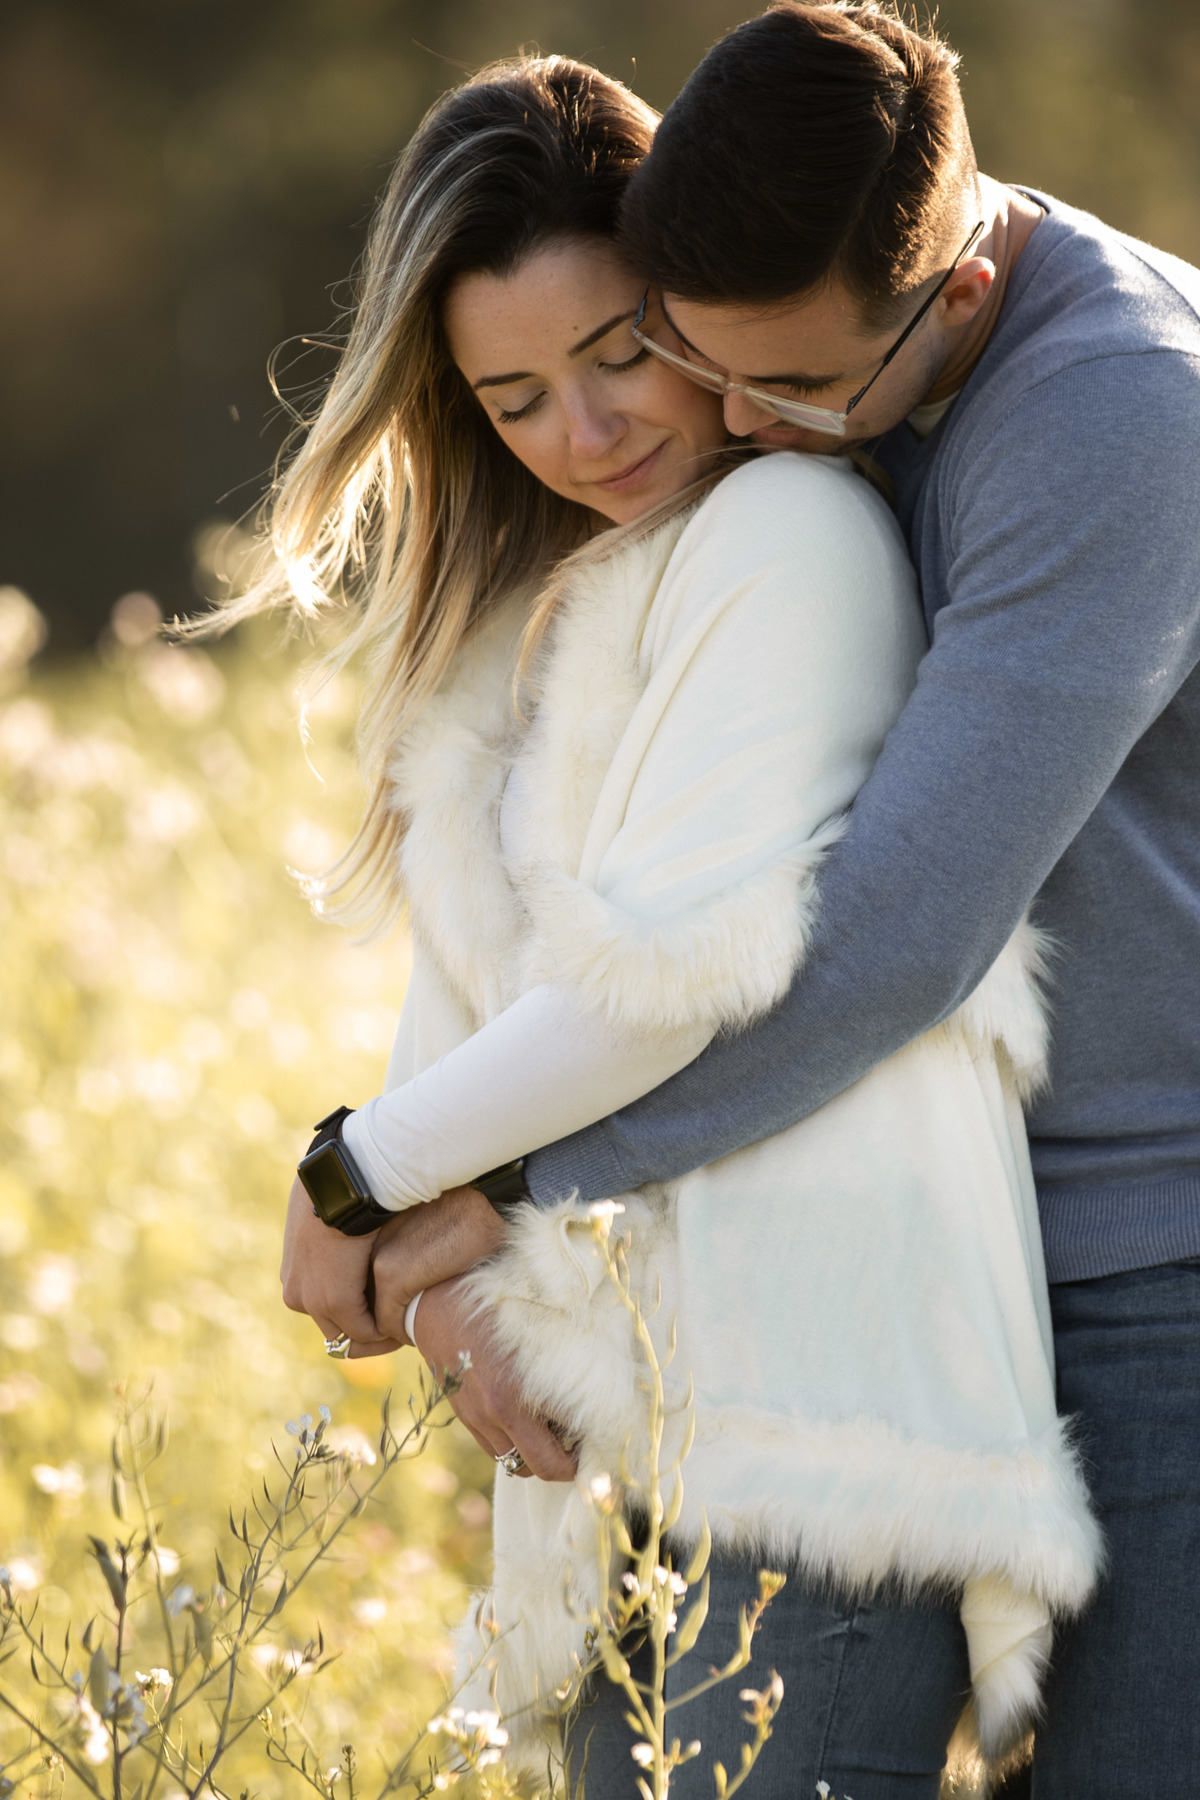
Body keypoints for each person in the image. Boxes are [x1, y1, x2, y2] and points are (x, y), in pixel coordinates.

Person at [271, 54, 1100, 1799]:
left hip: (809, 1431)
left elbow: (668, 980)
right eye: (513, 399)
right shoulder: (540, 609)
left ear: (698, 309)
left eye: (621, 352)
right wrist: (436, 1286)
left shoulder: (789, 536)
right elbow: (479, 988)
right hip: (620, 1422)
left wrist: (358, 1174)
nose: (587, 434)